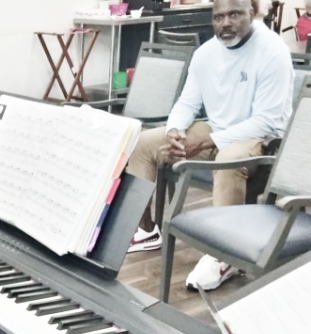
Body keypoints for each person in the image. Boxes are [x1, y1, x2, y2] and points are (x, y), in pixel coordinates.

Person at [125, 0, 293, 292]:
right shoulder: (205, 53)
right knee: (145, 142)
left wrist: (206, 140)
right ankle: (147, 230)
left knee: (228, 158)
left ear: (252, 13)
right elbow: (188, 102)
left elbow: (267, 120)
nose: (225, 23)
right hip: (217, 127)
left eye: (235, 14)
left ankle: (224, 256)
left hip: (262, 137)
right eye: (218, 17)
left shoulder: (272, 51)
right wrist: (177, 132)